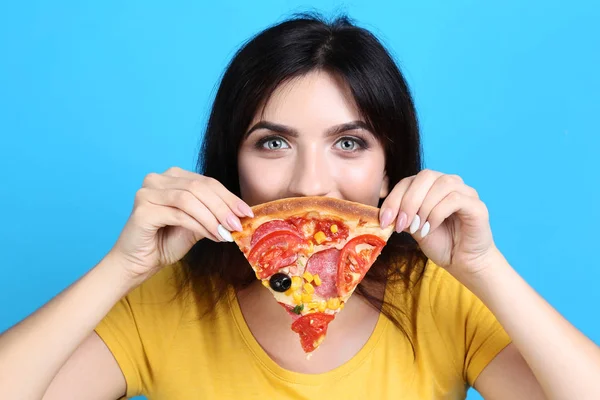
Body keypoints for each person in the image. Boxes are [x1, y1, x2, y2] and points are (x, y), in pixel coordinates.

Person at [0, 13, 598, 400]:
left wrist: (485, 269)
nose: (312, 183)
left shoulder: (440, 297)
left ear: (390, 168)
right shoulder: (162, 301)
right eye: (274, 142)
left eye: (348, 143)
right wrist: (121, 269)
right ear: (231, 163)